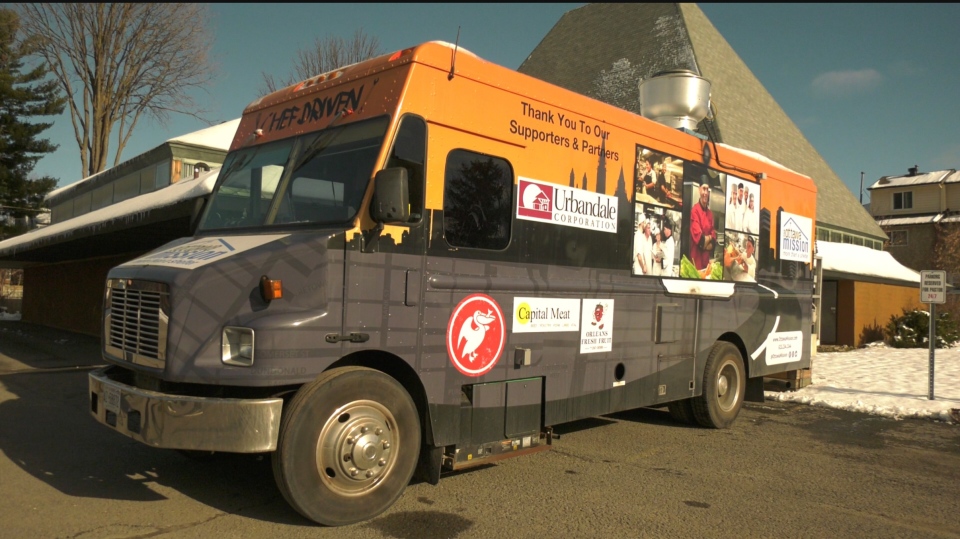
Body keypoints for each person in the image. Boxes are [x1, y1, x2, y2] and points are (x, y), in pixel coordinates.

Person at [689, 178, 716, 271]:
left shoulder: (710, 214)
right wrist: (708, 240)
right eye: (704, 189)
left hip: (706, 264)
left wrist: (707, 240)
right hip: (696, 263)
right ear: (699, 189)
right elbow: (700, 240)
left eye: (707, 190)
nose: (705, 193)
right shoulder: (694, 211)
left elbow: (714, 241)